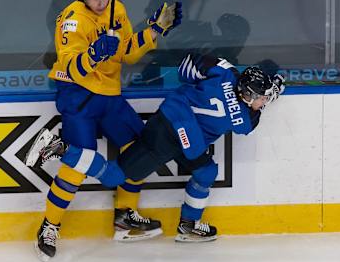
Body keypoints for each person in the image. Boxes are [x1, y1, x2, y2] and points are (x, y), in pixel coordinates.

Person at [26, 0, 182, 262]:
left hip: (110, 95)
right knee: (78, 167)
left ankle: (124, 217)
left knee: (141, 151)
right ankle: (50, 226)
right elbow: (71, 66)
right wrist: (94, 55)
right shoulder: (72, 20)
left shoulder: (116, 9)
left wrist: (153, 31)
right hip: (79, 95)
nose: (100, 2)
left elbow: (126, 52)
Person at [115, 52, 285, 242]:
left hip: (179, 128)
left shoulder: (226, 72)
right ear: (248, 95)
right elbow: (254, 115)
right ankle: (121, 218)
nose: (264, 102)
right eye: (262, 98)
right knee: (123, 171)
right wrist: (274, 91)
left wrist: (195, 83)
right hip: (171, 131)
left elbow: (189, 65)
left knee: (206, 172)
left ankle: (189, 225)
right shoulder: (244, 120)